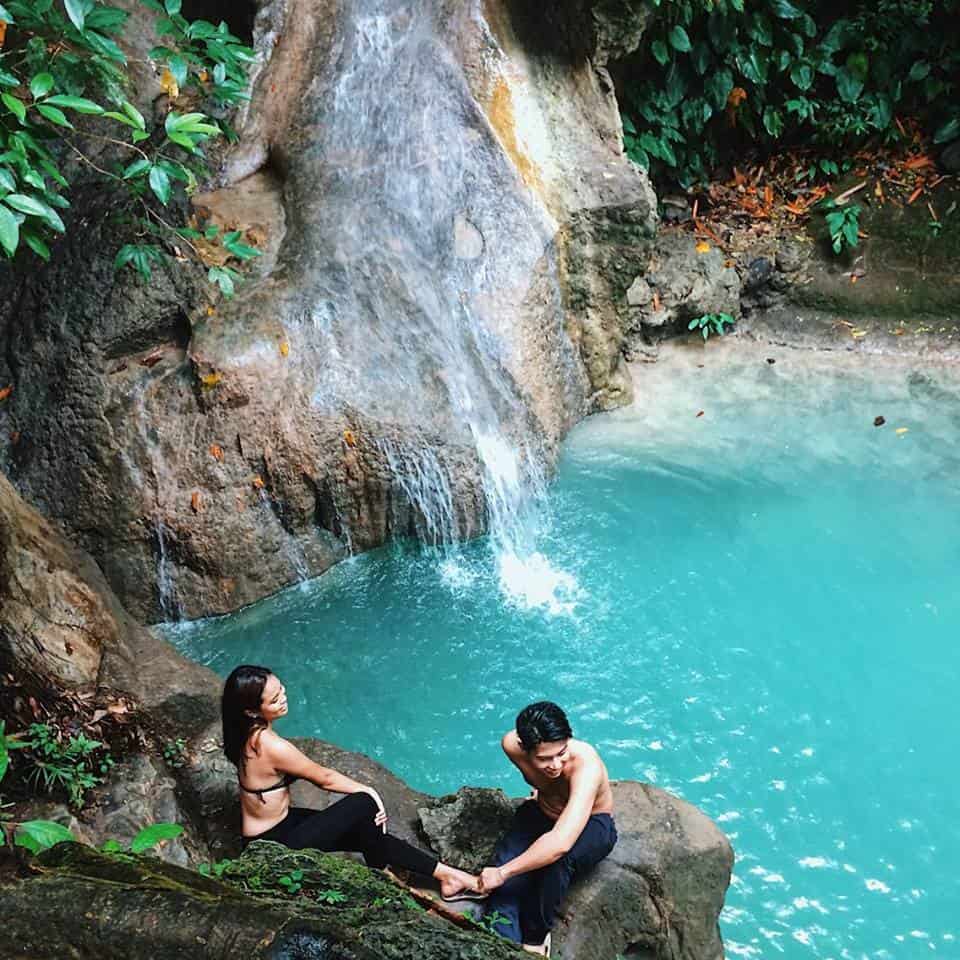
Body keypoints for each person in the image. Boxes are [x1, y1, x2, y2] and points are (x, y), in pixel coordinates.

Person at [221, 664, 481, 899]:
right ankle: (382, 877)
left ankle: (447, 875)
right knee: (363, 804)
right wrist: (369, 792)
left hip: (279, 826)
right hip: (273, 845)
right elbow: (324, 778)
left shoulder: (240, 732)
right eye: (275, 699)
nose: (284, 698)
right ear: (251, 711)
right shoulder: (270, 745)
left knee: (366, 833)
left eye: (282, 689)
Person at [479, 701, 617, 955]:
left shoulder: (586, 765)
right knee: (504, 889)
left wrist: (503, 872)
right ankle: (503, 946)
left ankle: (534, 942)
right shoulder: (511, 745)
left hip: (591, 822)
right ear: (524, 749)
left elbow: (560, 844)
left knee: (555, 864)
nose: (555, 764)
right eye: (544, 759)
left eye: (561, 753)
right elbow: (542, 780)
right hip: (542, 812)